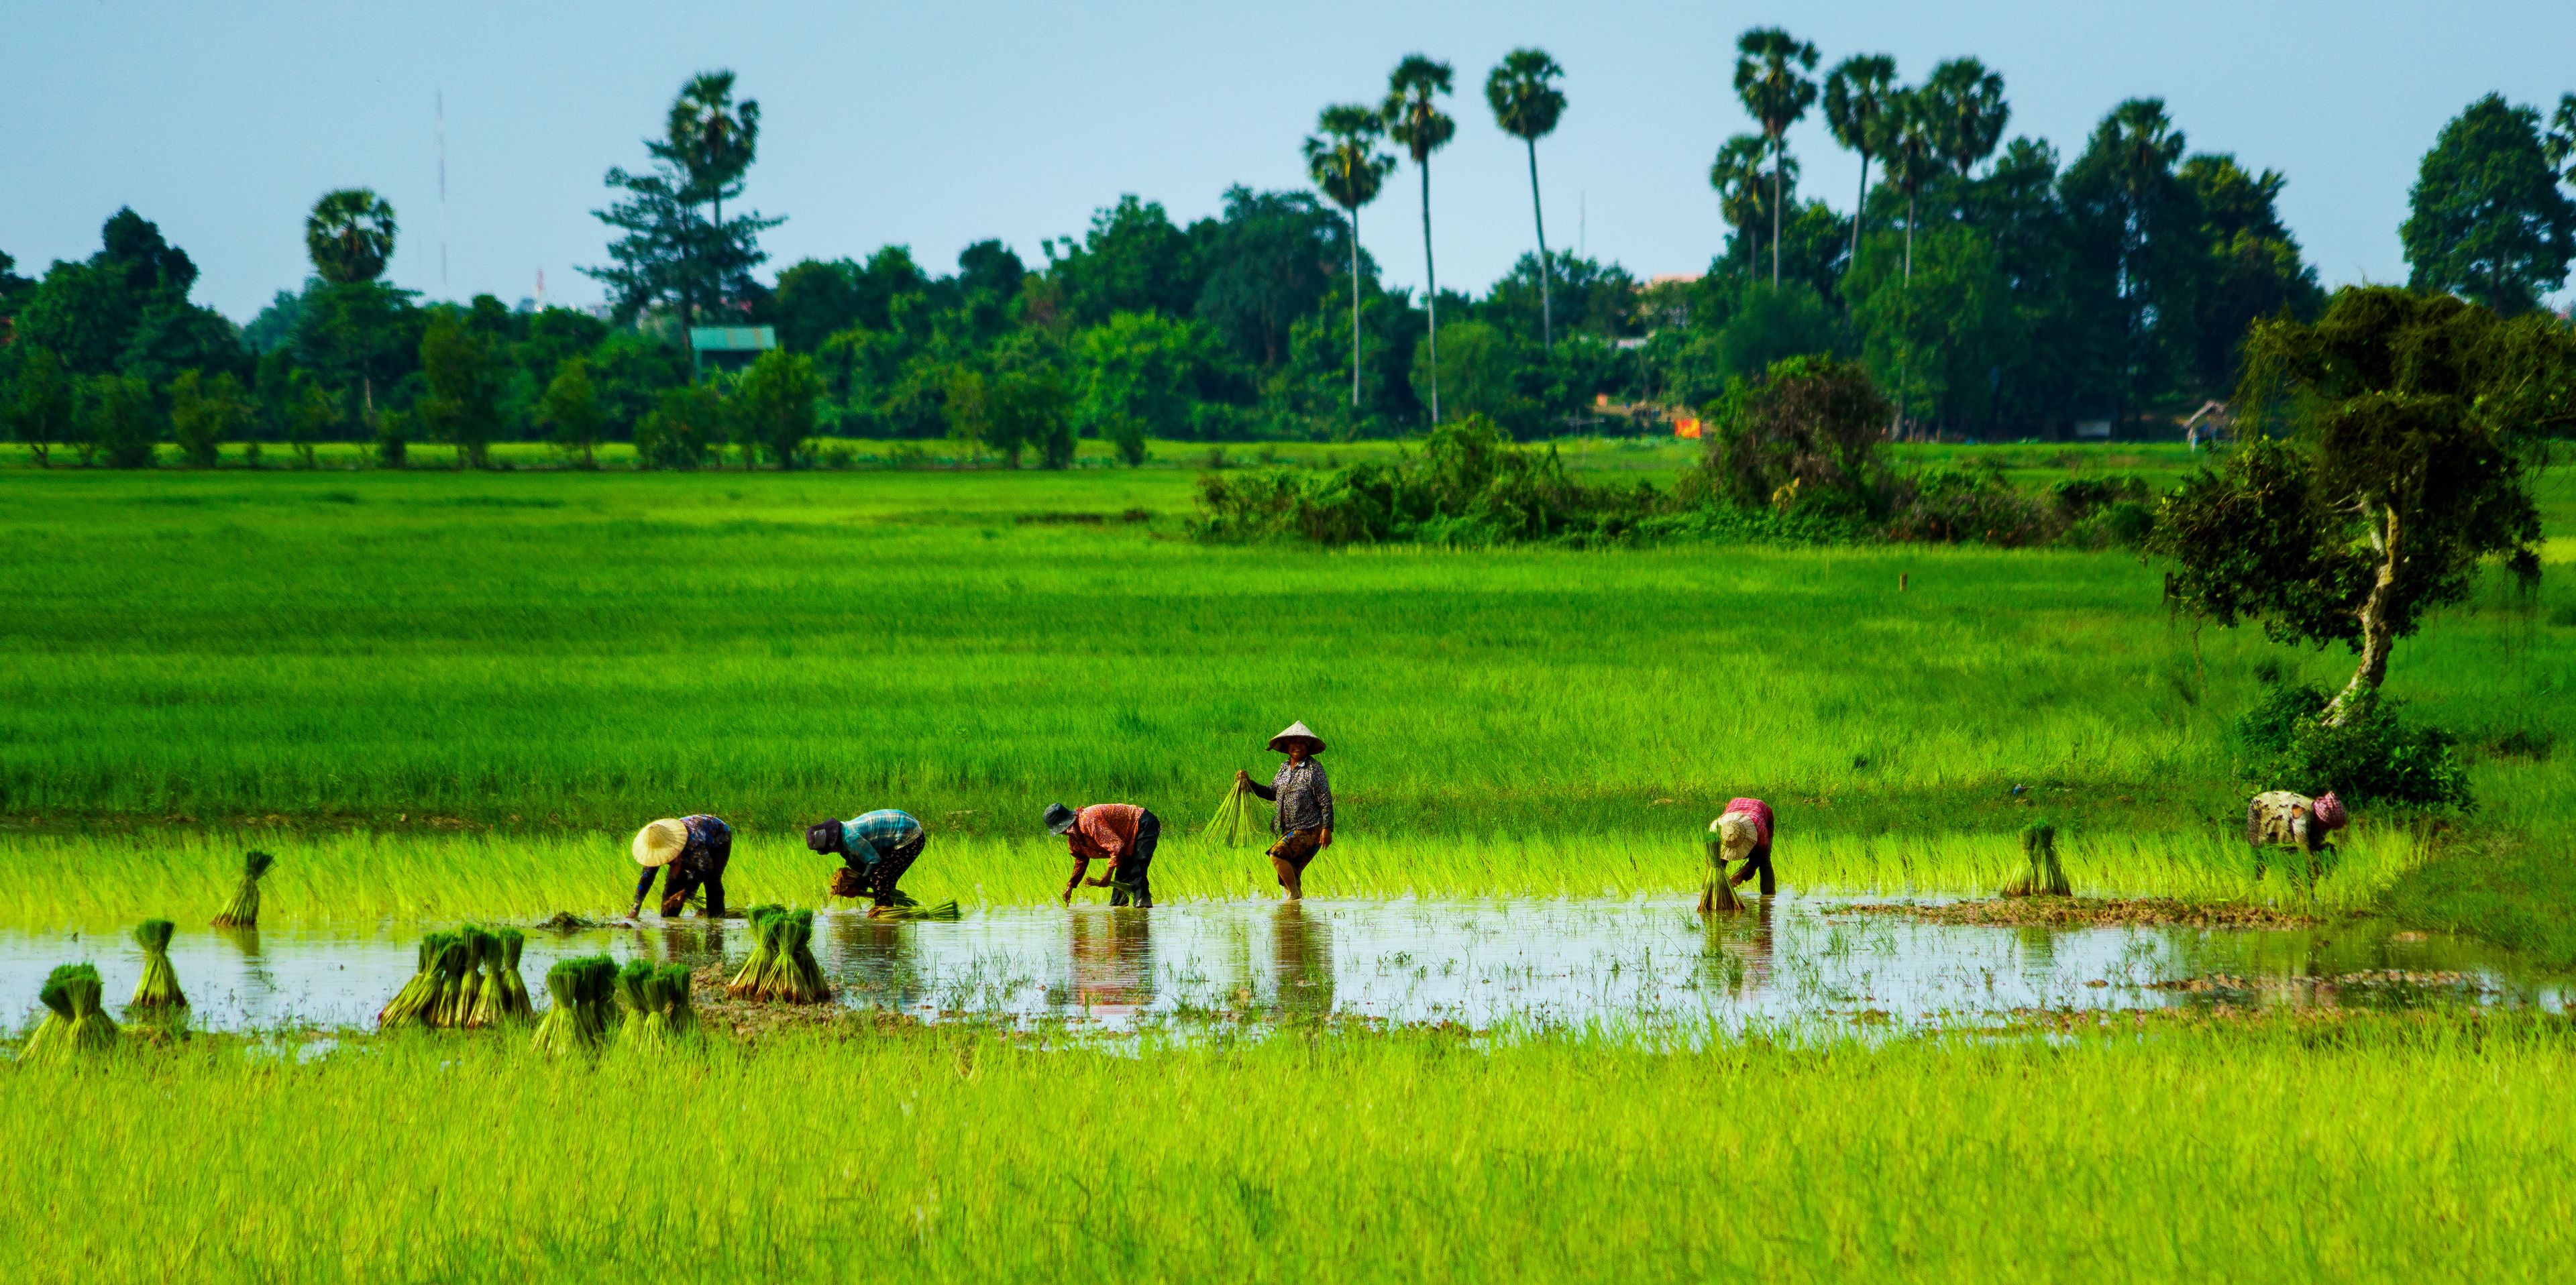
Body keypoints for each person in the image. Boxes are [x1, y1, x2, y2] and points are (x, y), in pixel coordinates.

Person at [1235, 720, 1334, 901]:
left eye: (1302, 742)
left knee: (1277, 854)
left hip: (1310, 828)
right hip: (1287, 829)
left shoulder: (1314, 769)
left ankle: (1294, 896)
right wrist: (1249, 784)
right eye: (1293, 741)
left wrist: (1327, 829)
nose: (1297, 745)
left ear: (1309, 746)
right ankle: (1295, 916)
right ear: (1288, 745)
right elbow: (1272, 793)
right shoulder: (1284, 768)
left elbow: (1326, 801)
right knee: (1291, 874)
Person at [806, 809, 926, 911]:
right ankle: (888, 910)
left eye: (830, 850)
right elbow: (863, 868)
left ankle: (883, 915)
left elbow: (874, 861)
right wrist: (859, 889)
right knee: (881, 879)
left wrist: (858, 884)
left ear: (833, 845)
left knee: (881, 878)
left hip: (910, 836)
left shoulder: (850, 839)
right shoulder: (845, 842)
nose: (832, 852)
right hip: (898, 833)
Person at [1046, 802, 1162, 908]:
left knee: (1137, 870)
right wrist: (1071, 885)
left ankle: (1143, 910)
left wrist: (1108, 875)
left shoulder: (1088, 820)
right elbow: (1081, 860)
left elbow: (1116, 846)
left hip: (1142, 823)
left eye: (1061, 829)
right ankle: (1119, 911)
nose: (1062, 833)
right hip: (1126, 837)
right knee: (1121, 879)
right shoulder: (1074, 840)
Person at [629, 815, 731, 918]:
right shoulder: (654, 848)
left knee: (712, 880)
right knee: (672, 886)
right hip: (694, 846)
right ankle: (669, 922)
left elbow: (706, 868)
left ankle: (716, 919)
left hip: (719, 837)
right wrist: (635, 909)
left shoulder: (693, 843)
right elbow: (646, 878)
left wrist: (685, 893)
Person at [2247, 789, 2347, 881]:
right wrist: (2311, 867)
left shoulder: (2318, 822)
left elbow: (2313, 846)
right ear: (2322, 819)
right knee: (2260, 853)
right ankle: (2254, 886)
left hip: (2281, 814)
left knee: (2312, 852)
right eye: (2328, 826)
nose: (2328, 830)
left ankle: (2300, 887)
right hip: (2260, 808)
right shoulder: (2301, 811)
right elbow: (2302, 844)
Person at [1708, 797, 1777, 899]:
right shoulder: (1717, 829)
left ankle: (1768, 897)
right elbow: (1712, 859)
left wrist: (1742, 875)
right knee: (1718, 864)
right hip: (1735, 808)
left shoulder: (1759, 829)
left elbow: (1761, 854)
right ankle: (1712, 890)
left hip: (1761, 813)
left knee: (1765, 861)